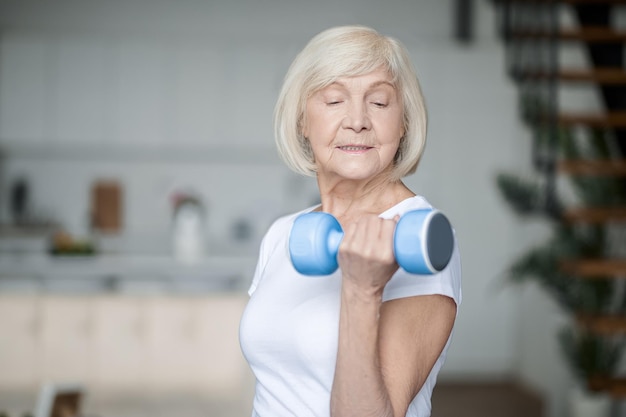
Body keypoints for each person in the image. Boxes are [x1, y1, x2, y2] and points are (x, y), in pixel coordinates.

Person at [239, 25, 462, 417]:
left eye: (378, 102)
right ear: (302, 121)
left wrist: (362, 290)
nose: (357, 120)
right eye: (334, 100)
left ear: (403, 122)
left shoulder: (419, 238)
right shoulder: (283, 234)